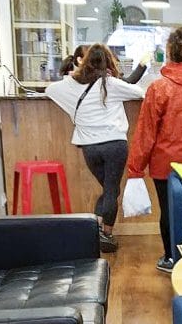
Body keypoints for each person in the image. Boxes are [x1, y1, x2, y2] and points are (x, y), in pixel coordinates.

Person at [127, 26, 182, 274]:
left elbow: (146, 133)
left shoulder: (158, 88)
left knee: (168, 211)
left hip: (165, 163)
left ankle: (171, 258)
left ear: (168, 52)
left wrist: (135, 169)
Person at [46, 43, 144, 253]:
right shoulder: (110, 84)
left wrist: (71, 83)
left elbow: (49, 90)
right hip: (115, 145)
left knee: (109, 190)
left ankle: (98, 229)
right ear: (108, 62)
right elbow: (139, 92)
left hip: (90, 148)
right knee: (111, 190)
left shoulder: (70, 84)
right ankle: (105, 233)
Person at [61, 44, 148, 84]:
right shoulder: (74, 80)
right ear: (80, 60)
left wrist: (142, 64)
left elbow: (128, 82)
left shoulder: (101, 77)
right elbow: (130, 84)